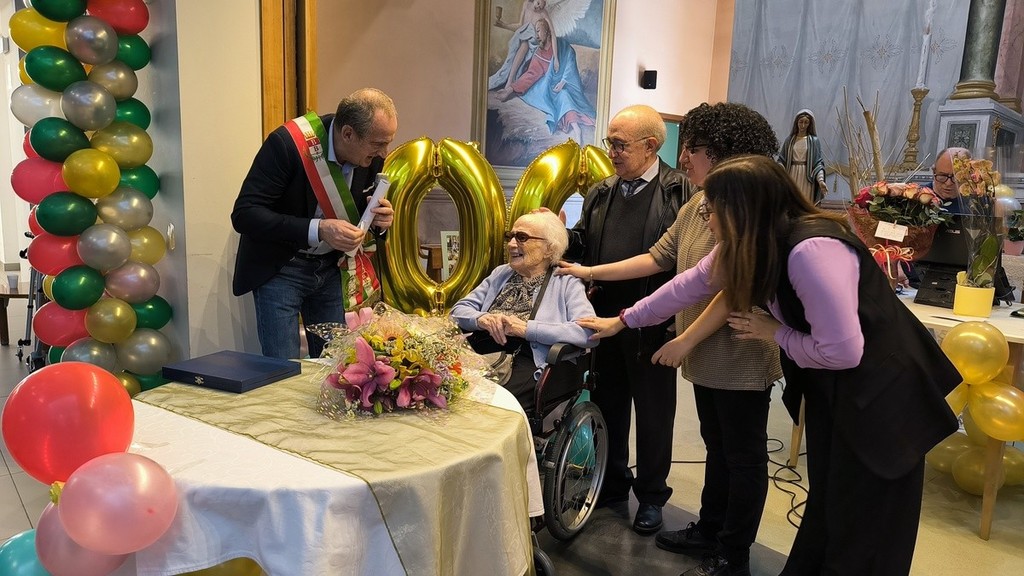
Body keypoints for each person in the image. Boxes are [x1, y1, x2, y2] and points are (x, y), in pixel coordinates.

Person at [579, 155, 960, 576]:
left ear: (743, 210)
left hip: (884, 394)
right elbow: (689, 285)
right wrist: (624, 320)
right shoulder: (753, 243)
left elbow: (843, 351)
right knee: (830, 504)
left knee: (863, 520)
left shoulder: (812, 250)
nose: (707, 221)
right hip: (841, 388)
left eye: (712, 211)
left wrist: (775, 332)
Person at [559, 102, 781, 576]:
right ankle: (710, 530)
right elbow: (666, 264)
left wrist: (676, 337)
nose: (683, 158)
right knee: (716, 447)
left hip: (738, 353)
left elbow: (722, 289)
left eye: (692, 148)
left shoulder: (743, 212)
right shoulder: (698, 204)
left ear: (721, 153)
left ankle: (731, 555)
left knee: (740, 458)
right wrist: (593, 277)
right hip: (701, 349)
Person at [562, 104, 687, 535]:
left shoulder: (679, 191)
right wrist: (561, 236)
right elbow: (584, 242)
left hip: (654, 320)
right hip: (604, 318)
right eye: (609, 143)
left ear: (651, 146)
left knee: (654, 415)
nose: (611, 152)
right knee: (608, 405)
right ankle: (612, 483)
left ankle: (651, 496)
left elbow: (679, 262)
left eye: (620, 144)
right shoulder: (601, 191)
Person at [232, 88, 398, 359]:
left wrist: (380, 221)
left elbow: (357, 210)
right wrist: (319, 229)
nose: (384, 152)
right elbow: (245, 214)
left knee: (335, 365)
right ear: (348, 134)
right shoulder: (287, 144)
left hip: (332, 269)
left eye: (388, 142)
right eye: (378, 143)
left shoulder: (371, 154)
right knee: (283, 369)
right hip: (283, 267)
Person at [450, 211, 595, 411]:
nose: (511, 244)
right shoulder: (501, 273)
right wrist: (482, 318)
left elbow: (588, 332)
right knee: (444, 391)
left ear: (548, 248)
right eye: (510, 236)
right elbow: (457, 311)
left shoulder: (566, 280)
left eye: (522, 237)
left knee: (485, 404)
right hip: (483, 352)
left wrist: (527, 329)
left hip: (531, 361)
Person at [488, 0, 556, 93]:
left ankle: (510, 81)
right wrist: (504, 25)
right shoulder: (526, 4)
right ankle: (509, 80)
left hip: (534, 41)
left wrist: (555, 57)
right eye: (538, 3)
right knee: (524, 40)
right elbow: (521, 26)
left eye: (541, 7)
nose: (538, 8)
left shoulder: (543, 13)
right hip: (523, 36)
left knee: (525, 43)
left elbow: (552, 34)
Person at [777, 109, 827, 205]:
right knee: (791, 201)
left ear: (810, 124)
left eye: (806, 122)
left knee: (804, 202)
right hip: (791, 174)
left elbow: (818, 164)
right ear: (796, 122)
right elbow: (782, 160)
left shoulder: (814, 141)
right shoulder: (789, 140)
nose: (803, 125)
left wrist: (821, 181)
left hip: (806, 177)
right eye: (801, 122)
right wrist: (780, 171)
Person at [931, 147, 970, 213]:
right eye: (942, 176)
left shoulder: (978, 203)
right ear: (934, 172)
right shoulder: (917, 198)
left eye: (956, 178)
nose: (948, 183)